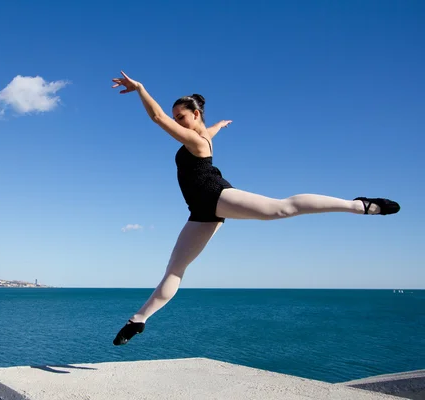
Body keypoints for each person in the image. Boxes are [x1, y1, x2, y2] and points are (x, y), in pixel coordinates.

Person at [110, 71, 401, 346]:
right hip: (199, 211)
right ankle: (139, 320)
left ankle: (359, 205)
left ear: (195, 114)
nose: (177, 121)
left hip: (216, 194)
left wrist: (140, 89)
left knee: (280, 209)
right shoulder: (205, 135)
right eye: (176, 118)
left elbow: (158, 117)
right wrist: (220, 126)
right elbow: (209, 131)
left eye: (181, 117)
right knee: (175, 270)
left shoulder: (196, 141)